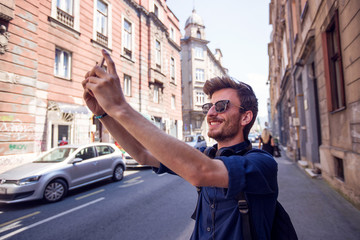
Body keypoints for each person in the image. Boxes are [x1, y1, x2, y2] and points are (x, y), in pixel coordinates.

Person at [82, 49, 278, 239]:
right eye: (208, 106)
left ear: (246, 117)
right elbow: (143, 153)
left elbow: (200, 172)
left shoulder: (261, 163)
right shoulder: (206, 154)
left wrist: (119, 106)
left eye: (221, 106)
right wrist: (104, 114)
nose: (210, 113)